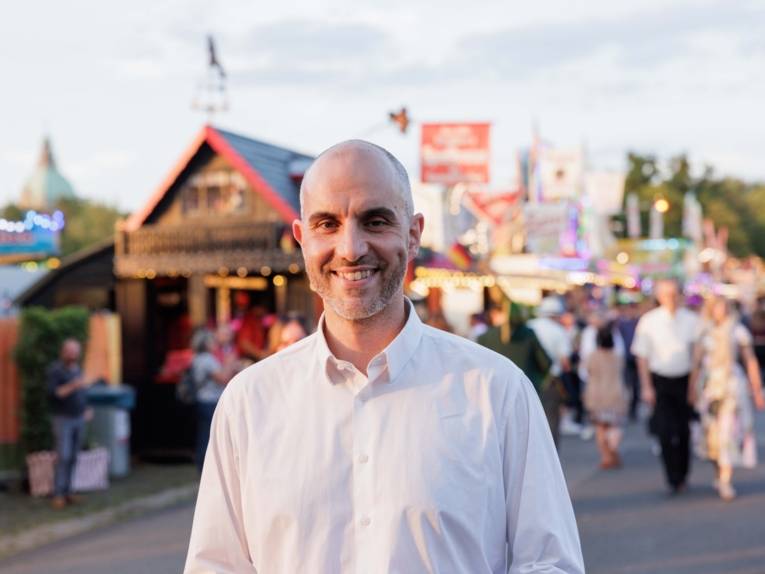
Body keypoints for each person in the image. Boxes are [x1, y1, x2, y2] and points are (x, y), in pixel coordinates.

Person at [185, 140, 584, 573]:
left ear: (413, 234)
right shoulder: (248, 402)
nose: (351, 248)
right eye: (327, 224)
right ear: (302, 239)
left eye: (374, 221)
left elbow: (550, 564)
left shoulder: (496, 390)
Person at [691, 296, 765, 500]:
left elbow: (750, 360)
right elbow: (696, 363)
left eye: (723, 308)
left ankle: (725, 479)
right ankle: (719, 472)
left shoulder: (738, 331)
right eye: (717, 308)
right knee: (712, 435)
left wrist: (757, 389)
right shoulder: (703, 332)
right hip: (709, 389)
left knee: (728, 433)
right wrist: (692, 388)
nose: (720, 311)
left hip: (731, 387)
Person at [631, 279, 700, 494]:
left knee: (684, 430)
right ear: (659, 297)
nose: (670, 298)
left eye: (674, 293)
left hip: (685, 380)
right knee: (664, 430)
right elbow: (642, 357)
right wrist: (646, 387)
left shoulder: (691, 320)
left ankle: (683, 474)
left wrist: (694, 386)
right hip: (660, 381)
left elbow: (697, 355)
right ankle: (672, 477)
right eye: (666, 294)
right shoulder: (649, 321)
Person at [47, 339, 92, 509]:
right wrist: (73, 385)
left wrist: (87, 408)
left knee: (73, 456)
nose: (73, 354)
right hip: (63, 419)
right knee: (63, 456)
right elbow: (55, 394)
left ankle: (68, 491)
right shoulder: (56, 370)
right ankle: (58, 494)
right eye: (70, 351)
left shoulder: (78, 369)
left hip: (79, 417)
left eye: (75, 351)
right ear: (63, 352)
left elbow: (83, 392)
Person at [478, 301, 552, 395]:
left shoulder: (485, 337)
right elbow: (545, 363)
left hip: (495, 392)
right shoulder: (529, 334)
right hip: (524, 391)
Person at [189, 328, 237, 473]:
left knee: (205, 434)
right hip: (209, 401)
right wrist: (230, 363)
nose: (215, 343)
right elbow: (223, 378)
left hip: (203, 400)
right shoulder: (207, 360)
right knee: (209, 436)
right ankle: (205, 468)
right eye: (212, 340)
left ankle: (203, 466)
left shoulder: (197, 358)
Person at [529, 296, 573, 449]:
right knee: (551, 418)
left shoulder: (529, 327)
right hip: (550, 380)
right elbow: (565, 362)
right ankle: (549, 452)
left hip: (528, 378)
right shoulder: (558, 331)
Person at [584, 325, 629, 469]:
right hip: (616, 394)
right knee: (614, 426)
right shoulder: (618, 357)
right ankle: (613, 449)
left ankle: (606, 455)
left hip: (596, 395)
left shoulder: (592, 356)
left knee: (600, 427)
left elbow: (587, 372)